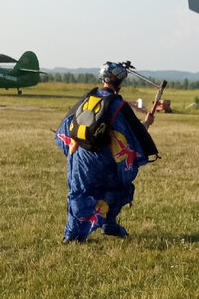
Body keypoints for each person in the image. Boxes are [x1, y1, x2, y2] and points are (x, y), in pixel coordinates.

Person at [55, 61, 161, 241]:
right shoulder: (117, 105)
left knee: (79, 191)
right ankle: (108, 224)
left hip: (79, 156)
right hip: (102, 158)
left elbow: (65, 128)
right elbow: (130, 136)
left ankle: (72, 235)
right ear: (119, 82)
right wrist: (147, 123)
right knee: (118, 186)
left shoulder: (88, 98)